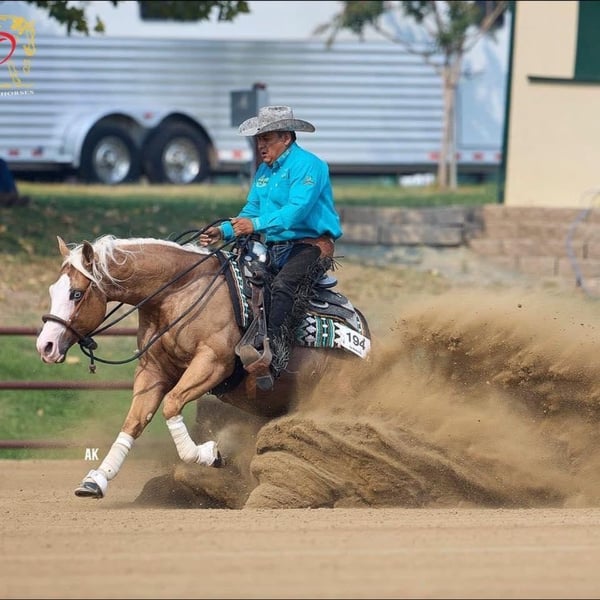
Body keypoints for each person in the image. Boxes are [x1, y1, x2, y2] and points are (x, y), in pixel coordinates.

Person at [200, 105, 342, 390]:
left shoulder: (310, 165)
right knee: (237, 285)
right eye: (258, 139)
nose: (260, 145)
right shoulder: (264, 172)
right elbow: (251, 209)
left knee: (283, 286)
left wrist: (254, 225)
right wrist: (224, 230)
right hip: (275, 246)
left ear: (286, 137)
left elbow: (296, 211)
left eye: (267, 138)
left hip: (311, 246)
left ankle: (272, 355)